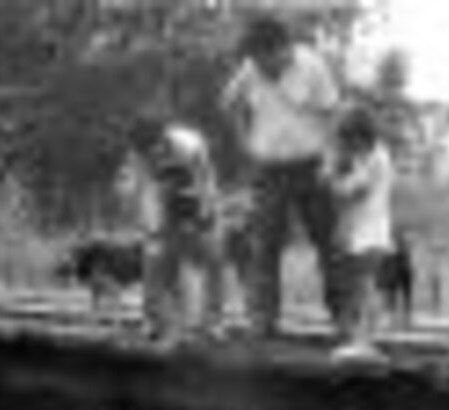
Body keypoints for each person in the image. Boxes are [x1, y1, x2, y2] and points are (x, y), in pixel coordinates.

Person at [222, 15, 341, 336]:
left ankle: (344, 319)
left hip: (312, 166)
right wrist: (244, 144)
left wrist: (331, 160)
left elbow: (332, 114)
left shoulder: (312, 66)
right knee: (264, 247)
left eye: (265, 58)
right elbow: (229, 103)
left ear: (282, 49)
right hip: (269, 170)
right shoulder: (250, 70)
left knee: (329, 244)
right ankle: (263, 322)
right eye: (255, 59)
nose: (260, 67)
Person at [118, 113, 226, 340]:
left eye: (152, 148)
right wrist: (149, 227)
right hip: (160, 201)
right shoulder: (138, 156)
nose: (150, 154)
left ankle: (213, 322)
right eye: (144, 151)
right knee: (154, 260)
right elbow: (138, 192)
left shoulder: (190, 145)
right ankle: (153, 321)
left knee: (213, 257)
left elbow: (206, 180)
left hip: (194, 195)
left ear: (163, 138)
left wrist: (207, 214)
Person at [328, 105, 395, 360]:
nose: (348, 146)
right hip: (365, 228)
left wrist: (333, 180)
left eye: (350, 139)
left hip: (372, 230)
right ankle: (363, 337)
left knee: (367, 286)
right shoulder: (367, 156)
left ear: (362, 135)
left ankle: (365, 342)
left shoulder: (376, 157)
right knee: (362, 285)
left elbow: (354, 192)